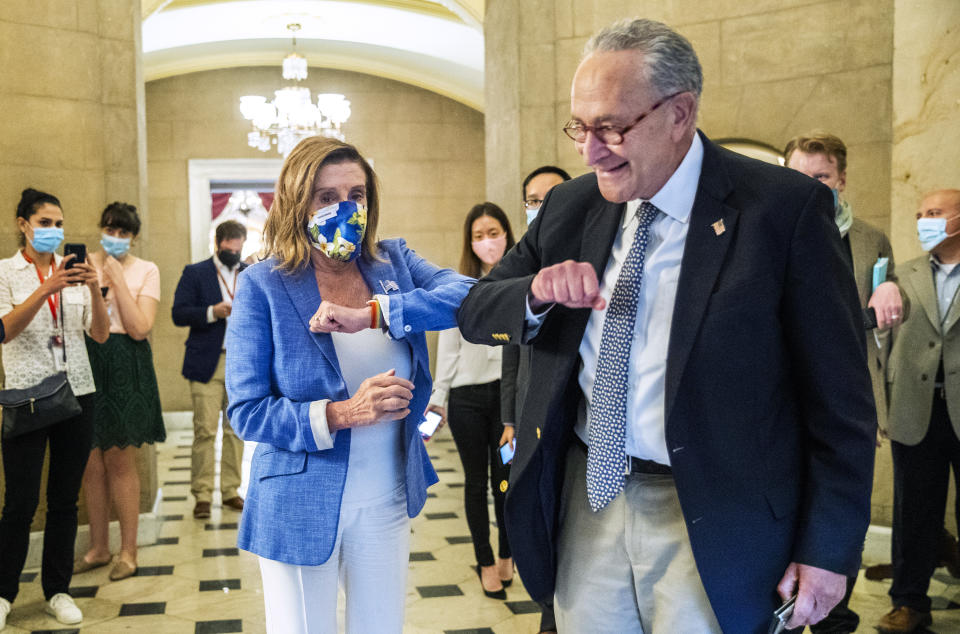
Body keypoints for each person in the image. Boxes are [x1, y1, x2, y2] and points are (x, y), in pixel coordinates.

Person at [456, 18, 876, 633]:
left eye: (611, 127)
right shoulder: (572, 206)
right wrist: (536, 293)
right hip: (586, 496)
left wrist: (828, 550)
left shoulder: (782, 212)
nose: (590, 149)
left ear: (680, 113)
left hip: (714, 511)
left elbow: (841, 404)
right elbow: (476, 308)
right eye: (579, 126)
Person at [225, 136, 472, 634]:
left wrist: (377, 313)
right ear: (299, 202)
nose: (345, 209)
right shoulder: (263, 284)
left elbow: (466, 294)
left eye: (356, 195)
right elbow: (246, 410)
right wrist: (342, 413)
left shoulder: (394, 264)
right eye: (326, 197)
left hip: (386, 495)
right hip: (298, 497)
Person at [785, 132, 905, 634]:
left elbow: (887, 311)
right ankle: (786, 607)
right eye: (798, 176)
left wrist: (895, 290)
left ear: (841, 179)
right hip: (784, 399)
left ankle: (835, 613)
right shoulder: (768, 229)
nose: (810, 187)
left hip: (848, 399)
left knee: (840, 510)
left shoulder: (870, 239)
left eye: (822, 177)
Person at [0, 188, 110, 629]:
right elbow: (4, 331)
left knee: (64, 499)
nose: (54, 231)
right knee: (19, 502)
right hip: (26, 394)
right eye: (45, 223)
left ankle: (57, 591)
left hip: (77, 391)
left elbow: (99, 334)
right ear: (23, 225)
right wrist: (46, 287)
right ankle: (4, 593)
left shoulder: (75, 271)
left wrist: (93, 289)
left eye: (59, 224)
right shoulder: (6, 272)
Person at [879, 189, 960, 633]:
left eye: (934, 213)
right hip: (915, 407)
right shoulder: (902, 274)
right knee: (914, 512)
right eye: (919, 215)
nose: (923, 221)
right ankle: (909, 602)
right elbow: (883, 341)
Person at [428, 202, 516, 600]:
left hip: (508, 398)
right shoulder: (459, 287)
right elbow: (448, 350)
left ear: (507, 234)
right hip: (466, 399)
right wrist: (439, 398)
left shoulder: (520, 281)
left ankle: (507, 554)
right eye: (478, 236)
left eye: (493, 233)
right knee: (476, 481)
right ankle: (484, 561)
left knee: (506, 480)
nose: (487, 243)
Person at [74, 202, 165, 582]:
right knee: (89, 461)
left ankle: (129, 551)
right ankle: (98, 546)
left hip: (126, 362)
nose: (115, 238)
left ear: (134, 236)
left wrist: (116, 277)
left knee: (120, 461)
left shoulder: (146, 269)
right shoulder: (79, 265)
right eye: (110, 230)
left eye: (123, 232)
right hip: (85, 358)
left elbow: (140, 326)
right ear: (101, 229)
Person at [500, 165, 570, 633]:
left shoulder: (594, 255)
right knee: (539, 527)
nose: (539, 207)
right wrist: (509, 418)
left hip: (575, 431)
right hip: (530, 422)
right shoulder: (521, 265)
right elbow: (512, 353)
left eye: (550, 197)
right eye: (531, 199)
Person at [171, 220, 247, 520]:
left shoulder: (247, 273)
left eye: (239, 247)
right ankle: (202, 495)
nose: (234, 251)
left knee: (236, 430)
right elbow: (178, 313)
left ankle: (230, 490)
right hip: (207, 362)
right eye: (229, 247)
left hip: (241, 363)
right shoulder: (196, 272)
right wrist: (211, 312)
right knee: (205, 430)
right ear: (218, 244)